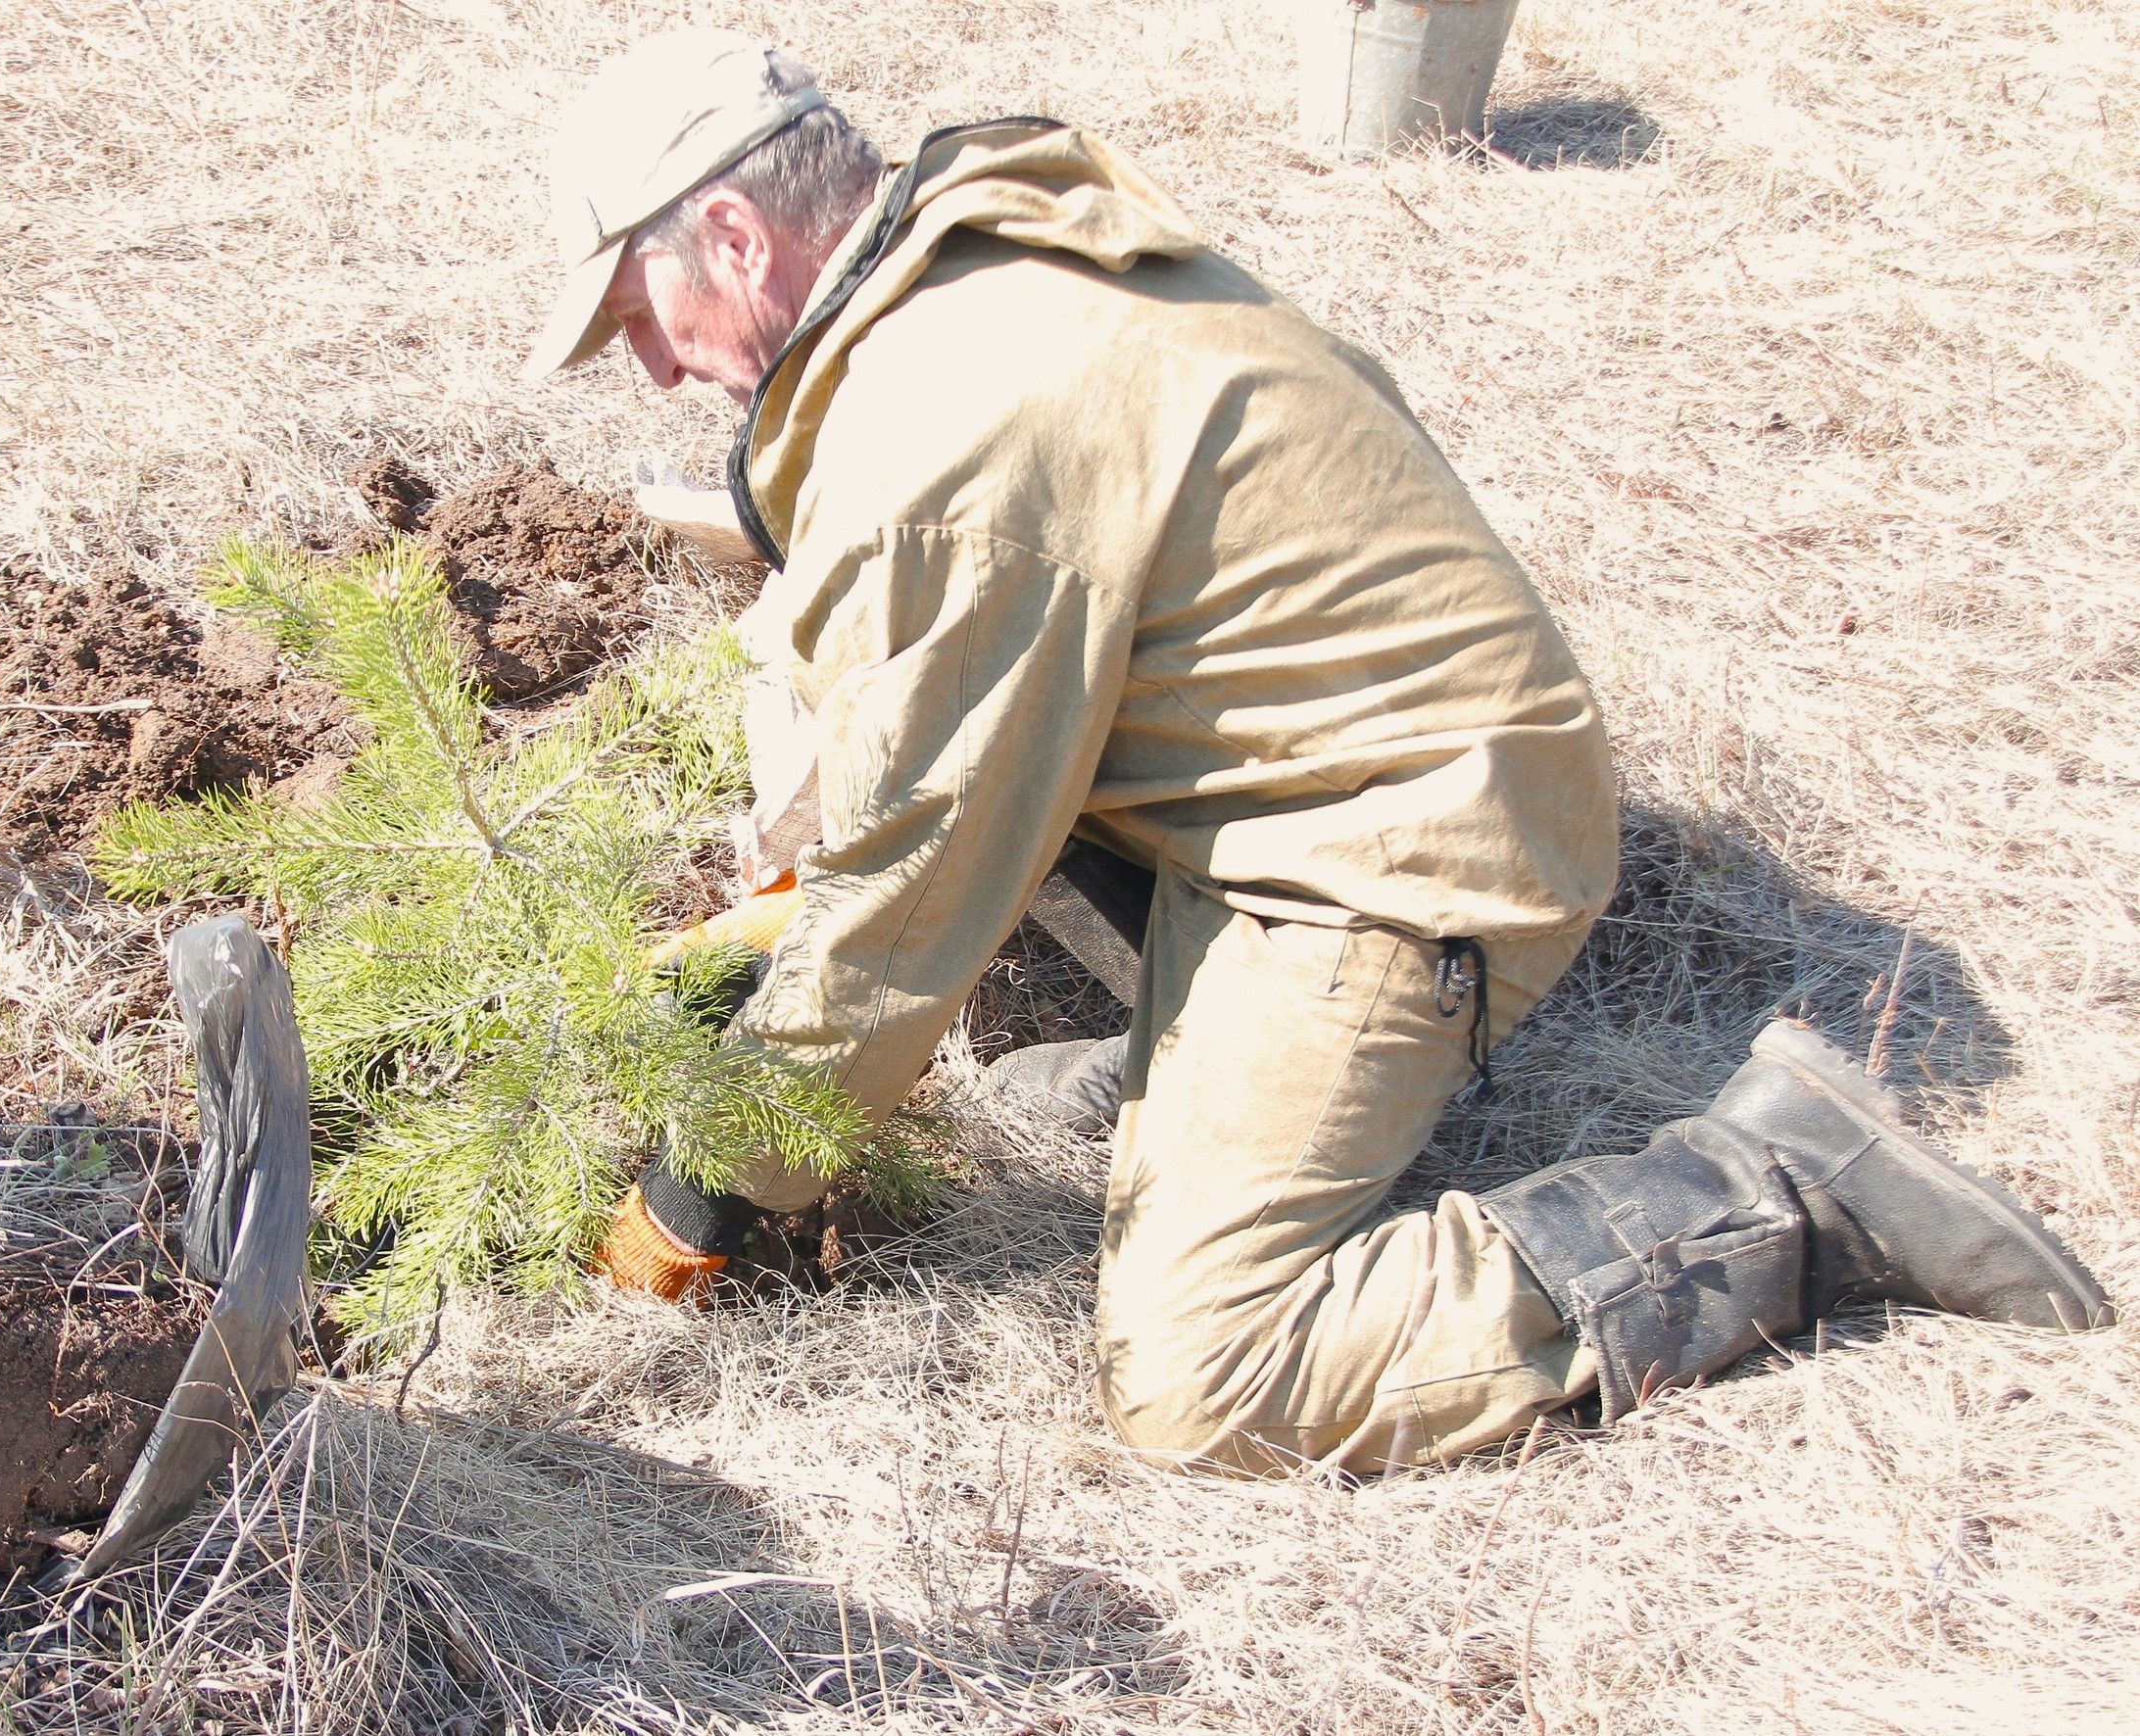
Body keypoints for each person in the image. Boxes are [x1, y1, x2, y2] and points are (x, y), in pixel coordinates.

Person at [539, 29, 2112, 1471]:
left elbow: (918, 870)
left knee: (1205, 1378)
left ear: (736, 240)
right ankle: (1189, 1059)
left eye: (638, 320)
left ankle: (1781, 1194)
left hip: (1403, 848)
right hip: (1354, 766)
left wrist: (710, 1185)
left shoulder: (947, 422)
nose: (657, 372)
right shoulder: (982, 260)